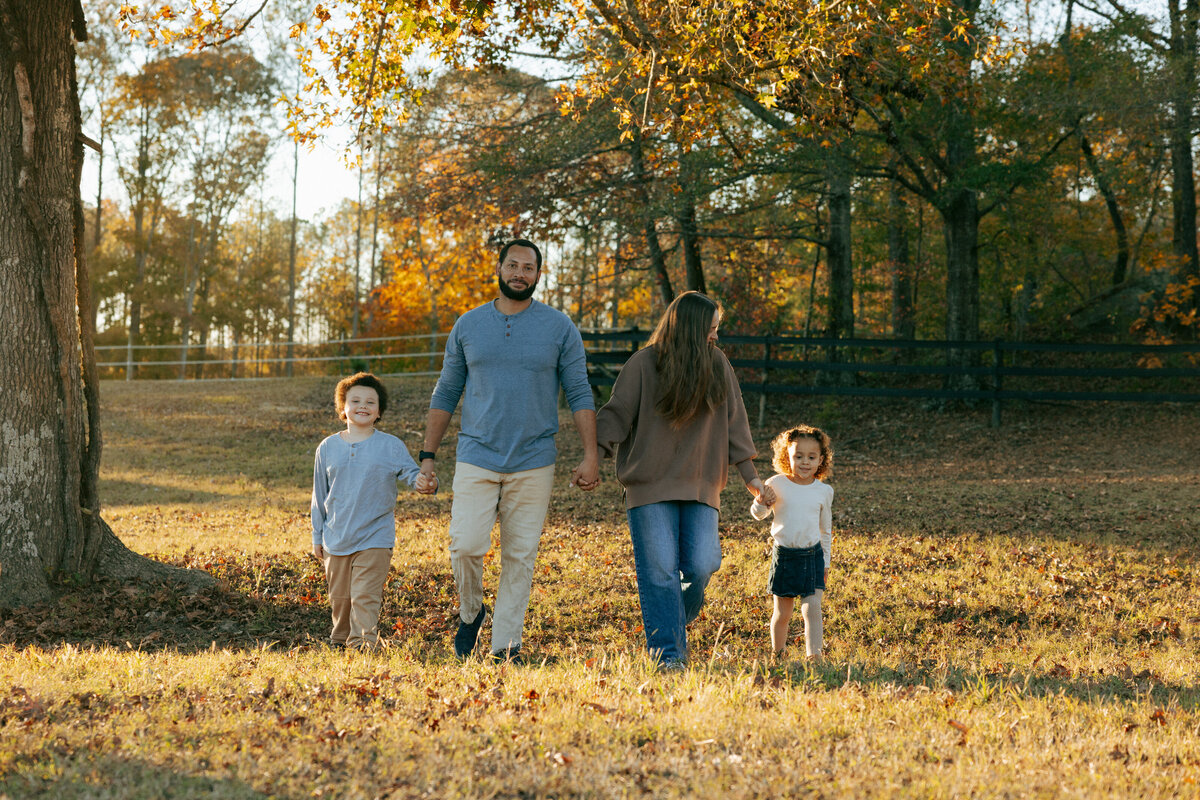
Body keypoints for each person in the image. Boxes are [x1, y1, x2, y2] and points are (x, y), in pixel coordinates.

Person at [416, 239, 599, 663]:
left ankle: (506, 646)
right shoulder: (468, 325)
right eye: (513, 265)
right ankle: (471, 610)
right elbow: (446, 391)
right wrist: (428, 454)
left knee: (520, 555)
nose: (520, 273)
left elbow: (578, 391)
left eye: (528, 267)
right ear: (499, 269)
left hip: (534, 460)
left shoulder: (559, 328)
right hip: (476, 454)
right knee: (465, 545)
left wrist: (591, 455)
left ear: (538, 275)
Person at [594, 291, 772, 668]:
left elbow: (734, 423)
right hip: (649, 486)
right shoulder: (643, 364)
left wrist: (751, 477)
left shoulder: (717, 364)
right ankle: (668, 655)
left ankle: (671, 616)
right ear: (691, 328)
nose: (716, 337)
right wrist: (593, 457)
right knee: (659, 572)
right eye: (711, 329)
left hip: (701, 484)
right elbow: (616, 415)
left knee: (703, 564)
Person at [311, 372, 435, 649]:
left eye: (370, 401)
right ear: (343, 407)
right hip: (336, 537)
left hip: (375, 536)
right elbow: (319, 495)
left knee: (365, 595)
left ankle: (363, 646)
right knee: (340, 599)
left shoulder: (390, 445)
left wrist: (424, 481)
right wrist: (317, 536)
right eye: (355, 400)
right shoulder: (327, 447)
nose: (362, 406)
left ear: (379, 411)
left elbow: (411, 473)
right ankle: (340, 641)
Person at [750, 424, 834, 664]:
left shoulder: (824, 491)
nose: (805, 462)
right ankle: (778, 653)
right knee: (783, 613)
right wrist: (761, 502)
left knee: (812, 609)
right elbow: (759, 514)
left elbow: (824, 530)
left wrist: (826, 561)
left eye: (811, 457)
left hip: (813, 556)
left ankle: (814, 656)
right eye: (798, 456)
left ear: (821, 460)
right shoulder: (776, 483)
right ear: (787, 456)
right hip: (785, 556)